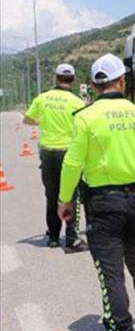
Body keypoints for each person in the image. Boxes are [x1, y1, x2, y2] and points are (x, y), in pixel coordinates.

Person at [57, 54, 135, 331]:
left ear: (92, 85)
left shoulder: (85, 117)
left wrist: (65, 200)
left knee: (111, 272)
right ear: (123, 81)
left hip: (103, 204)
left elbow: (73, 163)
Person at [23, 63, 87, 252]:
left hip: (48, 154)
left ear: (56, 78)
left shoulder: (42, 99)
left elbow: (26, 120)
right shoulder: (77, 103)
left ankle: (52, 237)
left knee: (51, 196)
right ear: (73, 79)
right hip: (68, 154)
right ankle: (72, 239)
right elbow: (84, 128)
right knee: (70, 195)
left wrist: (42, 121)